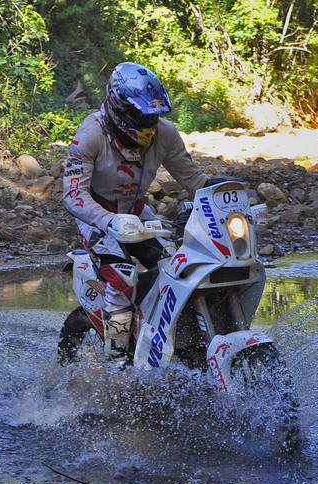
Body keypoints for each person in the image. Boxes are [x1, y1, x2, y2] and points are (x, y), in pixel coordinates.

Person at [62, 62, 212, 355]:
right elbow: (72, 195)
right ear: (120, 106)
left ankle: (161, 333)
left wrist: (228, 199)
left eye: (152, 115)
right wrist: (107, 220)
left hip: (135, 209)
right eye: (140, 114)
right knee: (121, 277)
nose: (147, 122)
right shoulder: (91, 134)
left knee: (175, 267)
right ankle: (117, 358)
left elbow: (194, 178)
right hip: (96, 214)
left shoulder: (164, 133)